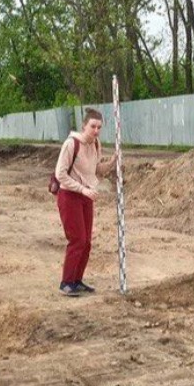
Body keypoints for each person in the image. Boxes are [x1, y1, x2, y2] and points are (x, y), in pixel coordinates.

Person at [54, 108, 116, 296]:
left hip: (86, 196)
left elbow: (96, 169)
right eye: (92, 126)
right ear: (84, 126)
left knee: (87, 241)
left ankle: (77, 280)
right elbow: (60, 174)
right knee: (77, 239)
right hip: (69, 196)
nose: (96, 130)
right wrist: (83, 189)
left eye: (99, 127)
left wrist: (112, 162)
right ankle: (66, 282)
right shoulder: (71, 144)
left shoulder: (96, 144)